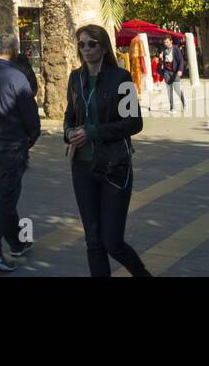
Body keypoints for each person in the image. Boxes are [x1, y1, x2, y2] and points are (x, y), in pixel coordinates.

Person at [63, 23, 150, 277]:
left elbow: (134, 122)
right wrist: (69, 133)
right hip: (82, 166)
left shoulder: (120, 78)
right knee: (93, 240)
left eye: (92, 44)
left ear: (103, 47)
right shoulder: (75, 78)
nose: (86, 49)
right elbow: (69, 116)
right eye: (81, 44)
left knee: (112, 241)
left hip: (114, 165)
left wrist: (92, 132)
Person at [0, 32, 41, 273]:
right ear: (14, 51)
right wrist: (32, 137)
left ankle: (17, 241)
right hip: (12, 145)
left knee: (4, 195)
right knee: (6, 198)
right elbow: (30, 114)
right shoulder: (17, 76)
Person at [161, 37, 186, 113]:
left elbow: (181, 60)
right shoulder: (163, 50)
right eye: (165, 42)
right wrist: (160, 58)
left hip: (175, 71)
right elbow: (162, 62)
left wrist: (180, 70)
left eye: (167, 42)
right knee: (169, 90)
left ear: (171, 41)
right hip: (167, 71)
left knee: (176, 88)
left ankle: (184, 101)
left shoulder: (176, 48)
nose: (166, 44)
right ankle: (172, 108)